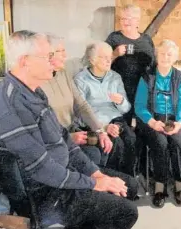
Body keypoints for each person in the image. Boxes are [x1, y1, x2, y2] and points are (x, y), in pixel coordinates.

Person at [0, 30, 138, 229]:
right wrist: (93, 183)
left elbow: (64, 138)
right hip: (45, 193)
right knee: (125, 212)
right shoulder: (7, 104)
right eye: (48, 56)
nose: (54, 61)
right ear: (25, 61)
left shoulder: (34, 91)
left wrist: (94, 174)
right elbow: (41, 168)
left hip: (61, 175)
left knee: (129, 186)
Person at [40, 35, 113, 167]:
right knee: (93, 154)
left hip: (73, 130)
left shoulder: (63, 73)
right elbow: (41, 127)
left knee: (105, 146)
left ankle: (99, 182)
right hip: (56, 140)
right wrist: (68, 138)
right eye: (60, 51)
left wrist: (100, 131)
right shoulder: (37, 83)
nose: (65, 55)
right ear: (48, 55)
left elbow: (81, 105)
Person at [135, 39, 181, 208]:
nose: (165, 57)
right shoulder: (146, 76)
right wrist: (152, 122)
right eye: (162, 53)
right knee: (160, 143)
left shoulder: (180, 77)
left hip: (174, 119)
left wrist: (180, 123)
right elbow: (139, 105)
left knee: (178, 142)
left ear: (175, 58)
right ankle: (160, 187)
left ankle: (179, 186)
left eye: (169, 54)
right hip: (152, 118)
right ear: (157, 55)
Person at [75, 41, 137, 176]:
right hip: (94, 123)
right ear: (92, 60)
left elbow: (126, 109)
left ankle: (128, 178)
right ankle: (111, 179)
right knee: (115, 143)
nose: (109, 60)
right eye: (104, 57)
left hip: (116, 119)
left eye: (110, 56)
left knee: (130, 138)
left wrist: (120, 101)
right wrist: (104, 126)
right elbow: (81, 113)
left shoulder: (115, 77)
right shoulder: (81, 80)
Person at [106, 4, 155, 125]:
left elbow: (153, 64)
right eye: (123, 18)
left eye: (129, 18)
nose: (125, 22)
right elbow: (102, 63)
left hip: (142, 88)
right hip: (121, 89)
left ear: (137, 21)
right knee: (124, 124)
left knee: (142, 123)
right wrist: (115, 54)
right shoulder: (114, 38)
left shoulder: (146, 39)